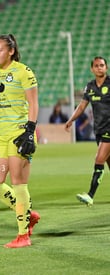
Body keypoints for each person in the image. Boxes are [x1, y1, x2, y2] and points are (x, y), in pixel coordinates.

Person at [0, 34, 40, 248]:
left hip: (20, 133)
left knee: (18, 183)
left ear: (10, 51)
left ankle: (23, 236)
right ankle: (28, 214)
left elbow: (33, 104)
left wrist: (30, 131)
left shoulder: (24, 71)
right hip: (1, 135)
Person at [65, 56, 110, 206]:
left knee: (99, 159)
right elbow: (82, 106)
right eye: (96, 65)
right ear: (92, 69)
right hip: (99, 129)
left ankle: (90, 195)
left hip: (109, 130)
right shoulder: (90, 87)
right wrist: (71, 120)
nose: (99, 68)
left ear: (106, 67)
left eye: (102, 65)